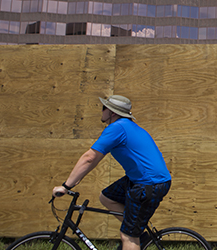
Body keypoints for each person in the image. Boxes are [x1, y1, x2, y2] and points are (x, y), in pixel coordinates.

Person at [53, 95, 172, 250]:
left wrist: (66, 186)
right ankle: (138, 235)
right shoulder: (126, 126)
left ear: (112, 113)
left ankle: (133, 237)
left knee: (128, 236)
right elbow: (94, 159)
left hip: (149, 184)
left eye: (104, 108)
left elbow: (89, 158)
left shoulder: (117, 128)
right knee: (107, 197)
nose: (101, 111)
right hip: (141, 180)